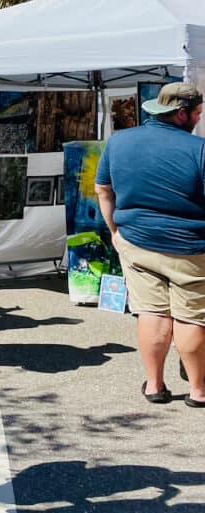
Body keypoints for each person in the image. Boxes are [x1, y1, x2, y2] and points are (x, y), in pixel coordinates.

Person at [95, 82, 205, 408]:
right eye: (197, 113)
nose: (199, 119)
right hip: (190, 247)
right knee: (192, 317)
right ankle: (199, 391)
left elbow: (103, 190)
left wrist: (114, 231)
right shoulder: (198, 149)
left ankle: (155, 385)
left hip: (136, 242)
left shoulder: (119, 142)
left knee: (151, 312)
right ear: (181, 113)